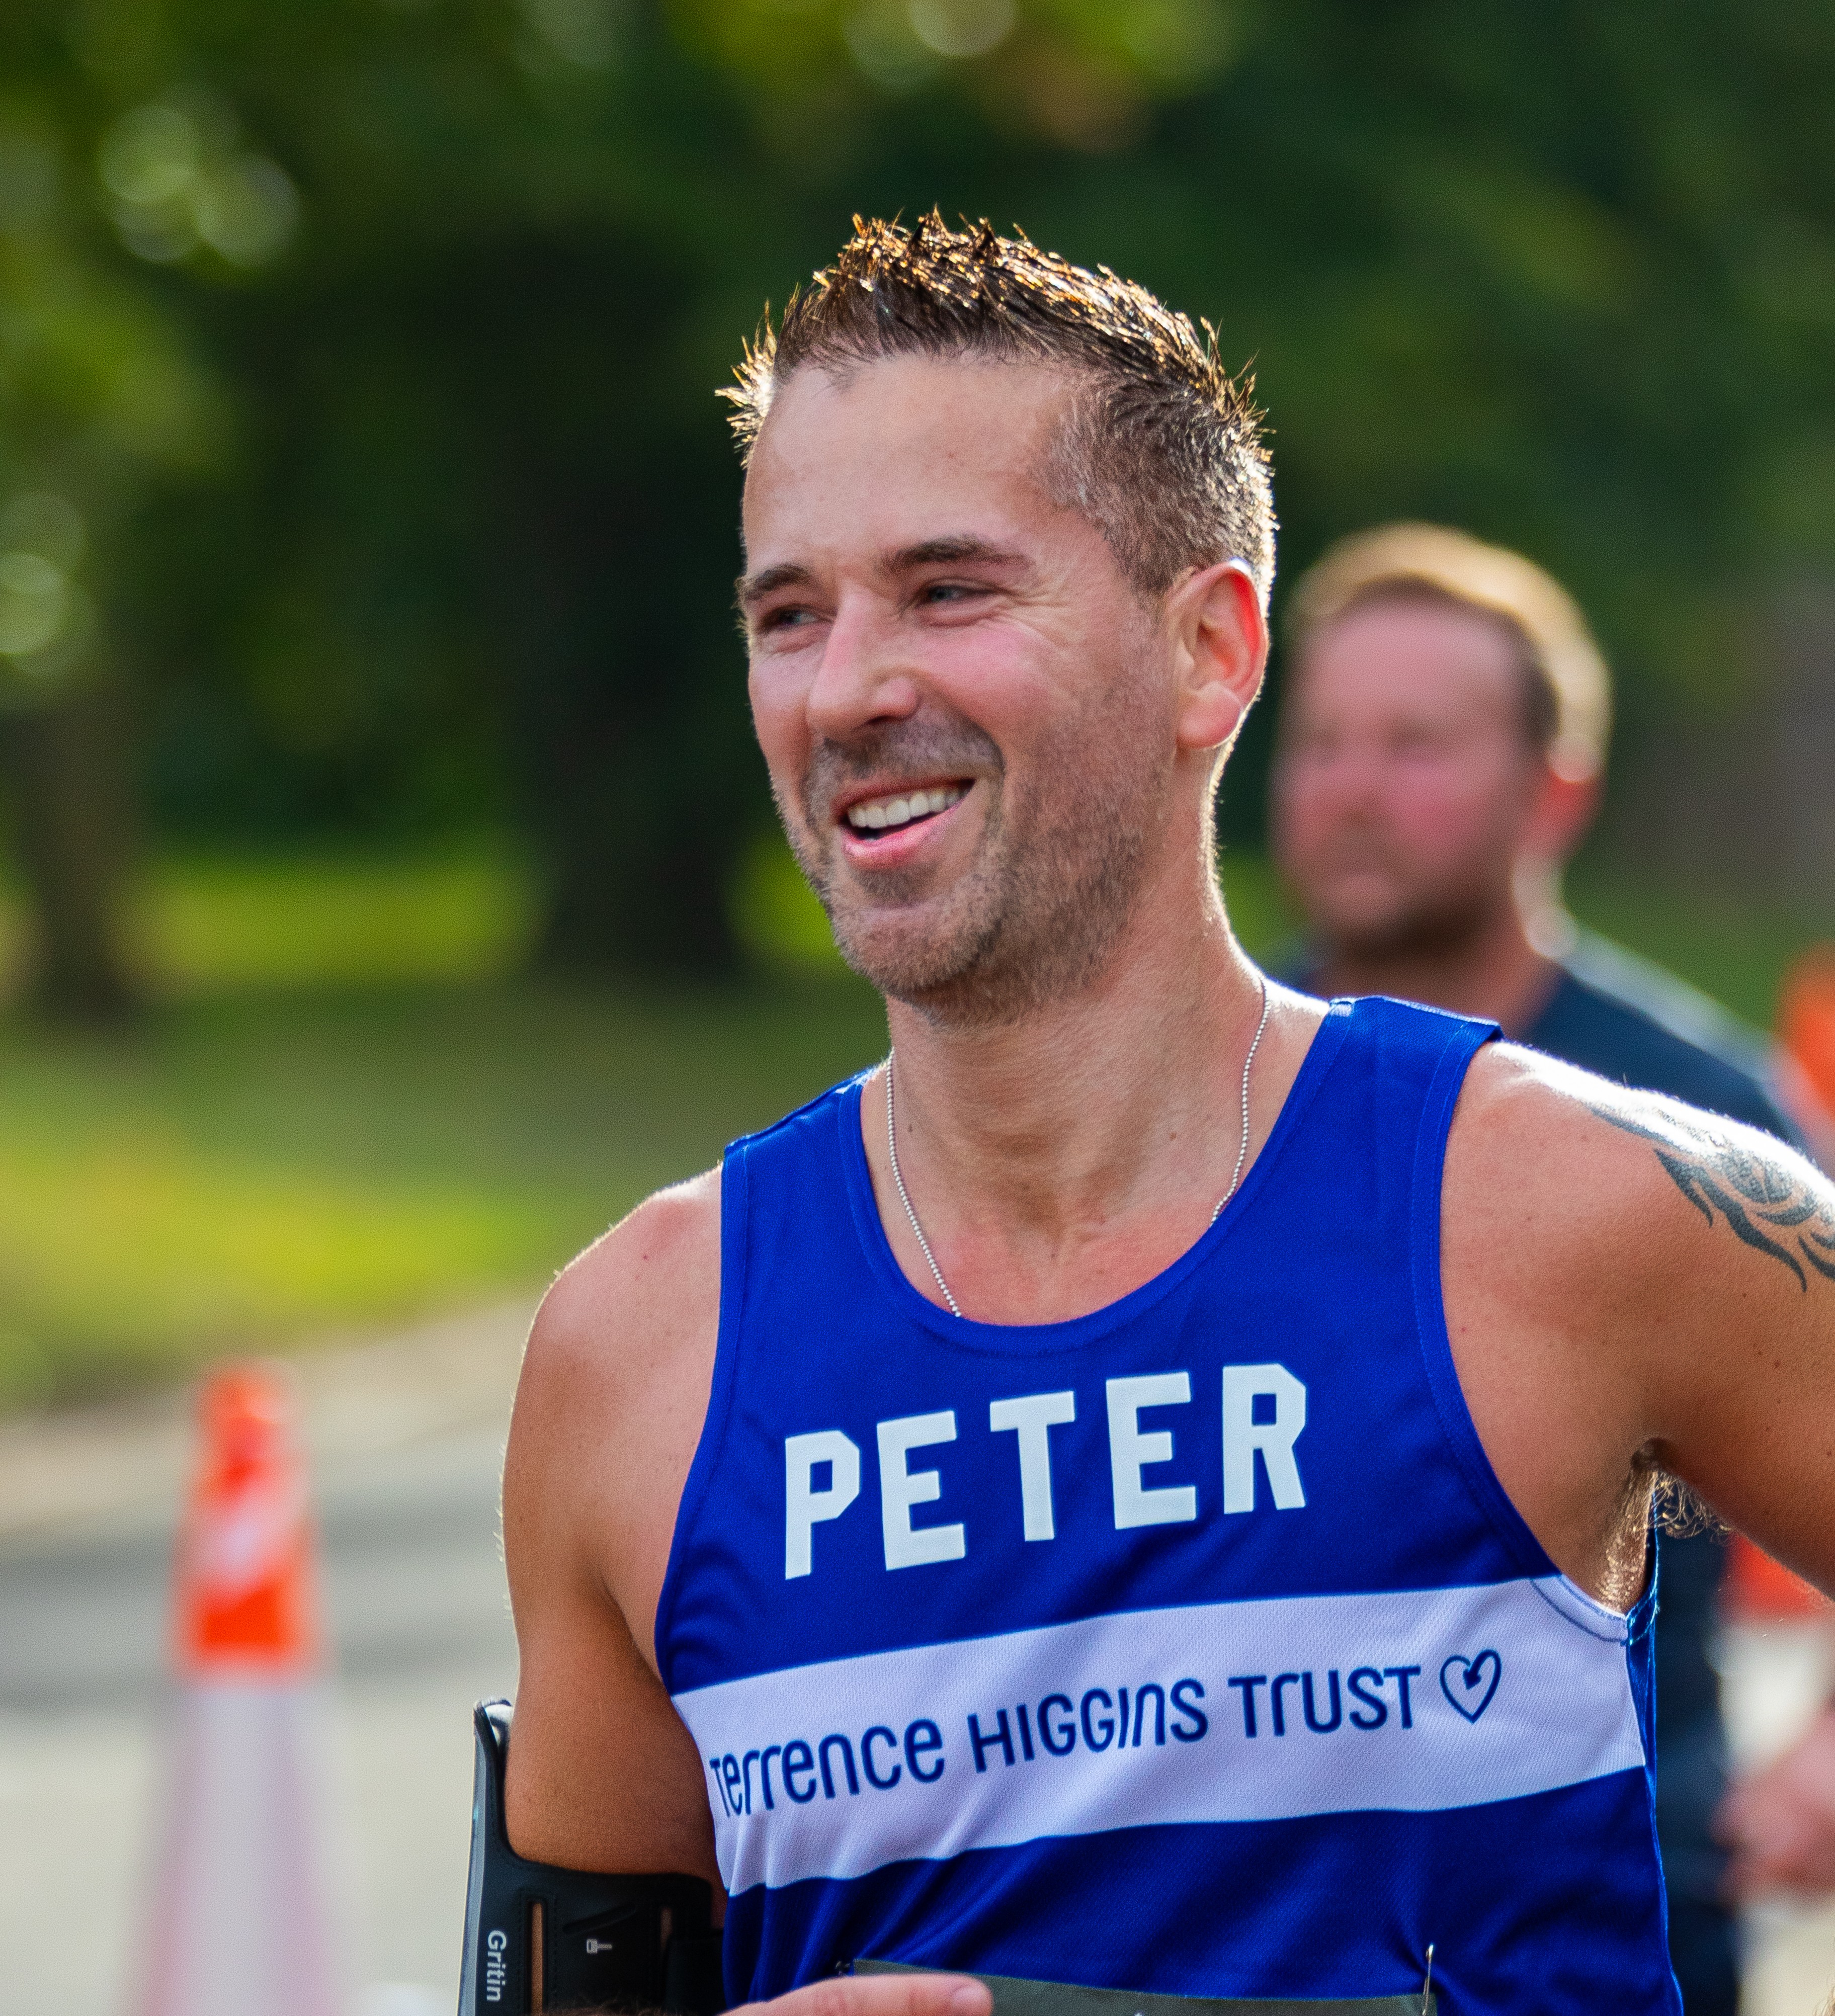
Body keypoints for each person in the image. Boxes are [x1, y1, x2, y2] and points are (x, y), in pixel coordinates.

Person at [500, 216, 1835, 2016]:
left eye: (951, 591)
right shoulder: (636, 1349)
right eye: (789, 614)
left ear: (1209, 652)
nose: (850, 691)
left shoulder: (1578, 1209)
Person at [1265, 523, 1813, 2016]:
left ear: (1553, 784)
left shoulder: (1703, 1119)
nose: (1354, 787)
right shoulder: (1186, 1092)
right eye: (1319, 741)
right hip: (1263, 1923)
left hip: (1623, 1906)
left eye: (1415, 744)